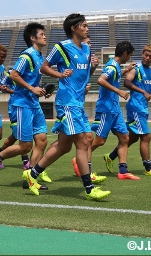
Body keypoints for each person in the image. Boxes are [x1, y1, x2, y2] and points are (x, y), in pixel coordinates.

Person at [26, 13, 111, 201]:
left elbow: (84, 75)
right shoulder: (62, 47)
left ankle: (32, 174)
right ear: (74, 28)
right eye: (84, 25)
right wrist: (59, 74)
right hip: (67, 102)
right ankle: (89, 189)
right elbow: (44, 67)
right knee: (83, 142)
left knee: (64, 146)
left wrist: (94, 67)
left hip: (78, 102)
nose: (87, 29)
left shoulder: (87, 49)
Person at [0, 23, 52, 186]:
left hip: (34, 104)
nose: (45, 36)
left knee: (42, 141)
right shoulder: (26, 55)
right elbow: (14, 74)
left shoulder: (41, 57)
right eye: (41, 34)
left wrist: (41, 90)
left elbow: (32, 82)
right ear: (32, 38)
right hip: (21, 105)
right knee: (26, 146)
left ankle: (30, 179)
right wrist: (31, 89)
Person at [103, 44, 151, 177]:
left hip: (143, 108)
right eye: (146, 55)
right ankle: (148, 168)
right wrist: (143, 92)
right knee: (146, 137)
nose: (147, 58)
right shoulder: (136, 69)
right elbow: (127, 82)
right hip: (135, 107)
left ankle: (111, 156)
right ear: (142, 54)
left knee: (132, 138)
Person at [89, 41, 141, 180]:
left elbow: (115, 76)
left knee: (124, 138)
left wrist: (126, 69)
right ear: (125, 53)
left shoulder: (116, 66)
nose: (129, 58)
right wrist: (119, 91)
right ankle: (80, 160)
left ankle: (123, 171)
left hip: (115, 109)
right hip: (106, 109)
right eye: (129, 56)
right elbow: (101, 80)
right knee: (100, 141)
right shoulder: (111, 66)